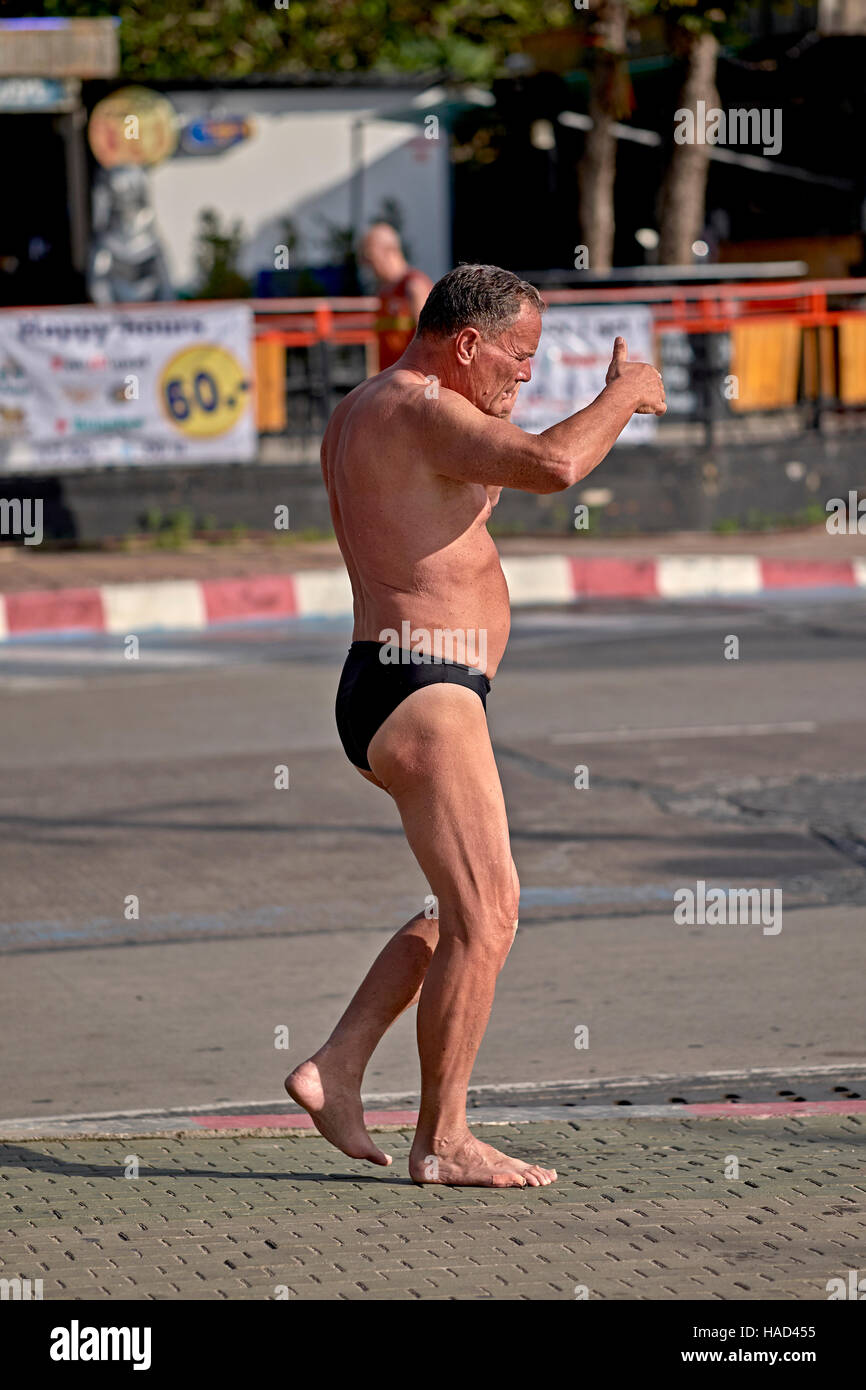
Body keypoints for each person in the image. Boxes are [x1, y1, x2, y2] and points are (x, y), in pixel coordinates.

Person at [287, 264, 666, 1187]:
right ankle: (443, 1140)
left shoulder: (368, 407)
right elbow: (554, 463)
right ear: (466, 343)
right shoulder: (418, 408)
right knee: (489, 916)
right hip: (423, 686)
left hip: (398, 682)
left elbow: (507, 454)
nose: (526, 377)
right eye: (520, 357)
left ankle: (336, 1066)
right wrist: (623, 395)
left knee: (457, 913)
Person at [360, 222, 432, 371]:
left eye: (370, 256)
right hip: (390, 381)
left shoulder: (413, 286)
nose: (367, 264)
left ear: (389, 251)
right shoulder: (383, 291)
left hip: (411, 382)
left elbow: (430, 341)